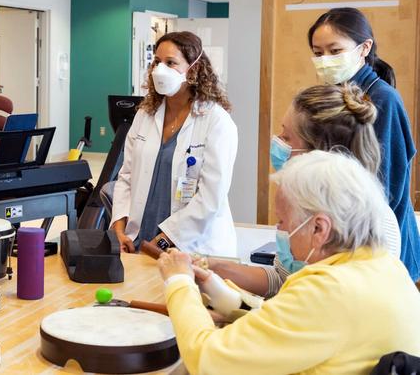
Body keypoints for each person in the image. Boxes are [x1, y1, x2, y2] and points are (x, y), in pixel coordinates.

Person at [158, 151, 420, 375]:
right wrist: (222, 295)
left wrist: (179, 282)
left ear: (319, 228)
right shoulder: (385, 267)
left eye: (283, 221)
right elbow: (292, 321)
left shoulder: (329, 291)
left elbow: (207, 359)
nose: (279, 229)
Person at [208, 83, 401, 297]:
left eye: (287, 137)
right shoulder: (301, 207)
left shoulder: (375, 225)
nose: (277, 142)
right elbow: (282, 280)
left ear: (320, 153)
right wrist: (212, 268)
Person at [309, 7, 419, 280]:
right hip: (345, 236)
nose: (325, 60)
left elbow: (387, 187)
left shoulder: (383, 99)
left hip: (379, 242)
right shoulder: (333, 96)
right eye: (318, 52)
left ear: (364, 48)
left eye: (335, 51)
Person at [111, 31, 238, 257]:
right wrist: (119, 229)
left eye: (171, 63)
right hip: (140, 241)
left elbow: (211, 196)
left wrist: (164, 240)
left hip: (191, 247)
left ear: (194, 69)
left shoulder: (216, 121)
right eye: (157, 62)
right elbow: (127, 175)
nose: (161, 69)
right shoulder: (145, 115)